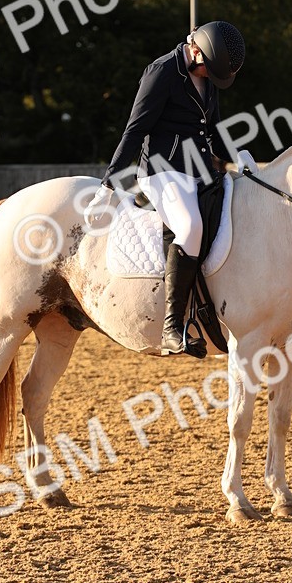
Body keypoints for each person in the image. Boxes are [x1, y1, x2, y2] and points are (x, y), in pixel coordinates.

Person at [85, 20, 246, 356]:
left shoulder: (208, 74)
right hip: (163, 173)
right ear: (196, 52)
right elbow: (135, 129)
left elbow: (212, 128)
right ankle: (173, 327)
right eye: (208, 71)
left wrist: (236, 158)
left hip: (200, 170)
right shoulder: (161, 73)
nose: (210, 79)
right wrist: (110, 182)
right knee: (190, 227)